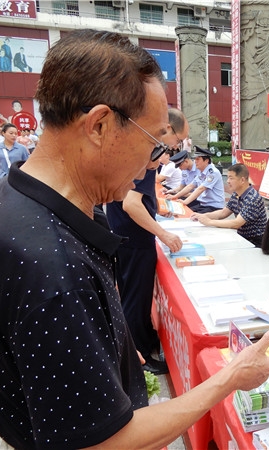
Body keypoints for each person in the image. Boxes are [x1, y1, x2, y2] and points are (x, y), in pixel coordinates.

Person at [0, 29, 269, 450]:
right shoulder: (54, 267)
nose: (150, 165)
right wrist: (230, 377)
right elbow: (107, 442)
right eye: (154, 143)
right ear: (100, 125)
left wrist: (108, 347)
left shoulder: (1, 196)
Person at [106, 108, 190, 375]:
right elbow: (132, 204)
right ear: (168, 130)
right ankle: (139, 359)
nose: (177, 147)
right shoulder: (146, 154)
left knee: (134, 296)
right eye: (178, 140)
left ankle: (144, 338)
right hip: (133, 239)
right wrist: (163, 234)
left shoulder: (142, 150)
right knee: (135, 299)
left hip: (126, 235)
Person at [190, 163, 267, 247]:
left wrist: (209, 222)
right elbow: (223, 213)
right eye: (227, 178)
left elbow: (237, 223)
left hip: (255, 242)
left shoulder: (252, 198)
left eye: (231, 178)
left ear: (242, 180)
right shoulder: (236, 194)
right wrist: (202, 216)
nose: (227, 181)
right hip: (242, 238)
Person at [167, 145, 224, 213]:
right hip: (203, 204)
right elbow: (190, 186)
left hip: (214, 206)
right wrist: (175, 196)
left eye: (198, 159)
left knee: (190, 216)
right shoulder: (201, 171)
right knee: (183, 212)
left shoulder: (213, 172)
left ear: (206, 160)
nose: (195, 161)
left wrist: (185, 202)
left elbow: (201, 188)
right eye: (195, 159)